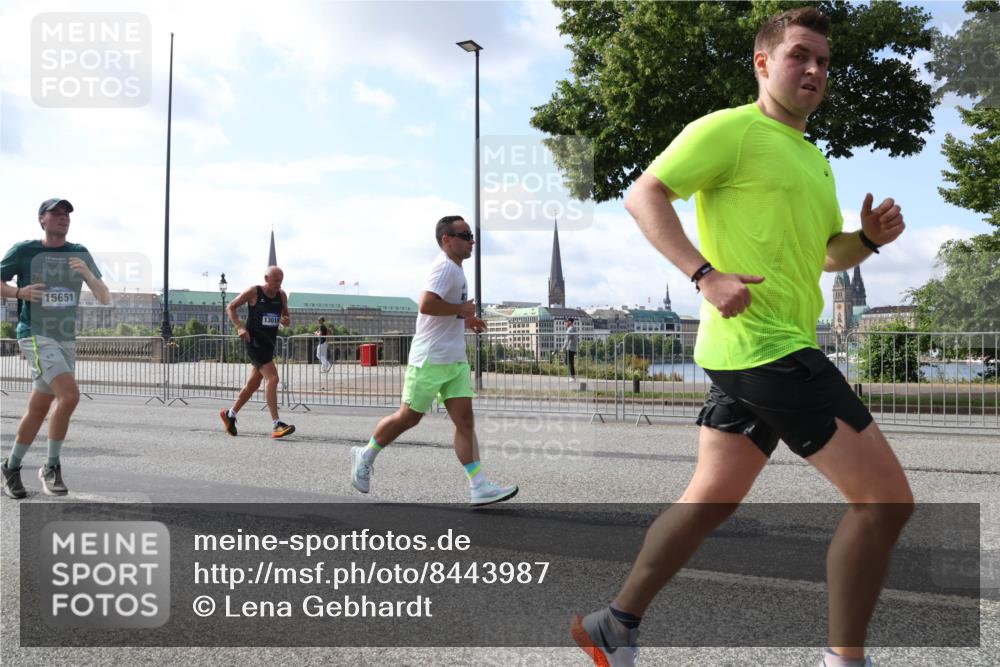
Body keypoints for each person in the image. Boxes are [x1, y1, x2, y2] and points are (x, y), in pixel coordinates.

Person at [571, 8, 912, 667]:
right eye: (799, 55)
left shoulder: (813, 160)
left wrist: (866, 239)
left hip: (745, 354)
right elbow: (645, 193)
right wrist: (703, 273)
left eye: (824, 61)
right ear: (763, 63)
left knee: (709, 499)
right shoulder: (730, 130)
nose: (814, 69)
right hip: (768, 349)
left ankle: (613, 625)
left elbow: (822, 256)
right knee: (885, 501)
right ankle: (845, 660)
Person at [349, 215, 518, 506]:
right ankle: (365, 455)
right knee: (408, 418)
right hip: (429, 359)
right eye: (465, 236)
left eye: (472, 236)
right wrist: (462, 308)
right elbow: (427, 304)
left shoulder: (456, 270)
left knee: (465, 422)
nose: (472, 241)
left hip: (453, 360)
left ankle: (479, 486)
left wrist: (466, 319)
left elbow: (444, 313)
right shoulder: (444, 268)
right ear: (446, 240)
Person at [1, 198, 110, 499]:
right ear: (42, 220)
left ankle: (10, 466)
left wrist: (87, 274)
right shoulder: (24, 251)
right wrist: (19, 291)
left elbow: (104, 296)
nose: (63, 218)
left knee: (38, 409)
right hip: (35, 333)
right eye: (56, 213)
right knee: (70, 396)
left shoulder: (79, 253)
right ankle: (51, 466)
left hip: (64, 338)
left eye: (67, 214)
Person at [219, 266, 295, 439]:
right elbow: (231, 307)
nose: (278, 284)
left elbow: (287, 318)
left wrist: (286, 320)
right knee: (273, 378)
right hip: (253, 342)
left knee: (253, 384)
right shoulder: (254, 292)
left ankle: (230, 414)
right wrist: (240, 327)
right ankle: (276, 424)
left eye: (281, 281)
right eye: (275, 280)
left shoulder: (281, 295)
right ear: (266, 278)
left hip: (268, 343)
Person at [561, 317, 578, 382]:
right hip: (573, 347)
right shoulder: (574, 329)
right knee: (569, 362)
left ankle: (572, 377)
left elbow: (567, 339)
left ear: (570, 322)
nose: (565, 323)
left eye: (566, 322)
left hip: (570, 347)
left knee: (569, 362)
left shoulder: (570, 329)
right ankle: (572, 376)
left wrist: (563, 347)